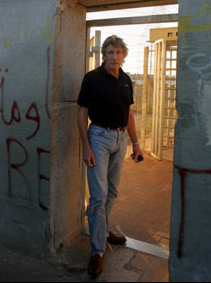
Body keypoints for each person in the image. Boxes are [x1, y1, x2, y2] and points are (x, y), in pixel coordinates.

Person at [77, 35, 143, 277]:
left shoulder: (126, 80)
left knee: (112, 192)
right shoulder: (92, 78)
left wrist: (136, 143)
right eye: (110, 53)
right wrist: (86, 146)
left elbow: (129, 114)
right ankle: (97, 251)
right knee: (98, 196)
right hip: (98, 137)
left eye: (118, 53)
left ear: (123, 55)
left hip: (120, 139)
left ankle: (103, 231)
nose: (114, 57)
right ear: (103, 55)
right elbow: (82, 113)